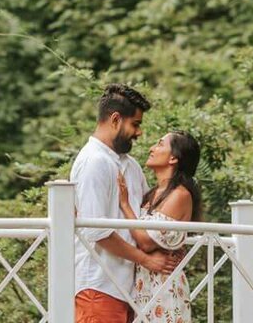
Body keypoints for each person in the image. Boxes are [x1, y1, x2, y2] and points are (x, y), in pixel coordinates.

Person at [72, 84, 181, 323]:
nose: (139, 132)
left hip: (132, 290)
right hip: (98, 287)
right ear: (115, 119)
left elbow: (146, 216)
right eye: (136, 124)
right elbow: (97, 231)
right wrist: (147, 260)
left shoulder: (130, 165)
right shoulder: (93, 162)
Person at [117, 131, 202, 323]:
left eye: (160, 144)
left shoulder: (180, 195)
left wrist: (125, 205)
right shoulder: (153, 193)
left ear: (173, 158)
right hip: (143, 286)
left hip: (164, 287)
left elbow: (146, 242)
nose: (152, 148)